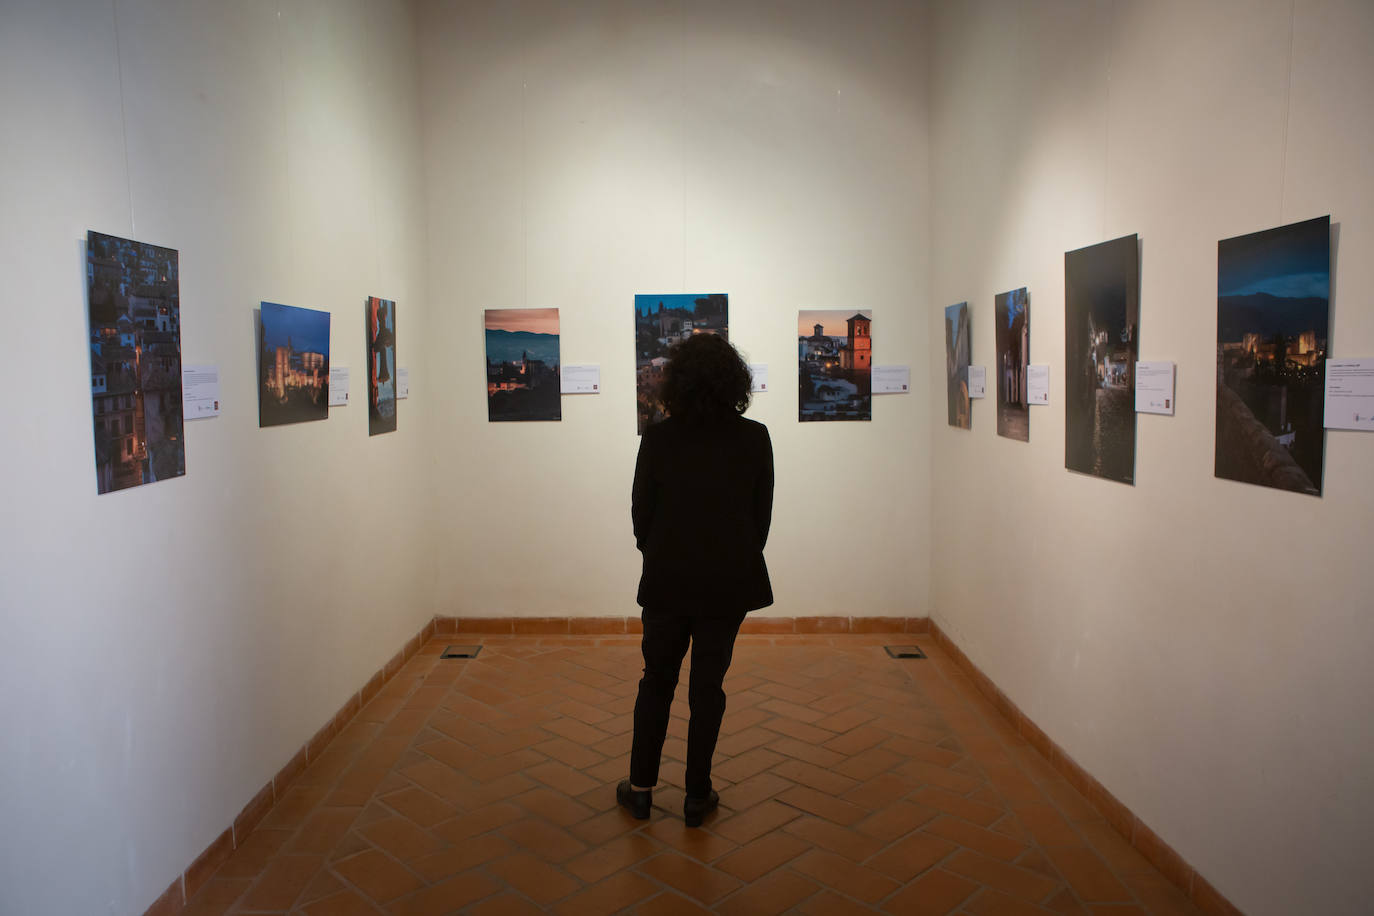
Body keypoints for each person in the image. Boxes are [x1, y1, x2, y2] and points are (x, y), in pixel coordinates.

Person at [619, 333, 774, 827]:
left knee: (657, 681)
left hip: (667, 579)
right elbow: (760, 518)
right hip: (726, 582)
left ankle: (641, 788)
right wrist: (731, 555)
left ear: (678, 382)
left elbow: (641, 512)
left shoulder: (660, 437)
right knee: (708, 686)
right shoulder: (754, 437)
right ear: (735, 382)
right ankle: (696, 794)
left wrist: (660, 553)